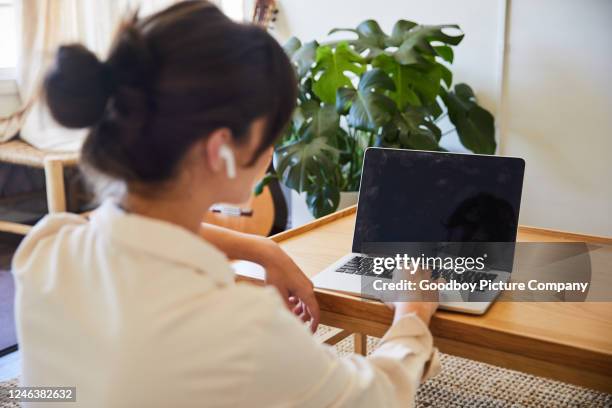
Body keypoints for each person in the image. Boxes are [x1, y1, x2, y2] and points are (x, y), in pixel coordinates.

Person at [12, 1, 439, 407]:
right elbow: (377, 396)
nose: (274, 152)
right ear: (222, 150)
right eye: (272, 134)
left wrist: (261, 248)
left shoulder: (45, 250)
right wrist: (413, 313)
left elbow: (126, 230)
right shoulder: (240, 329)